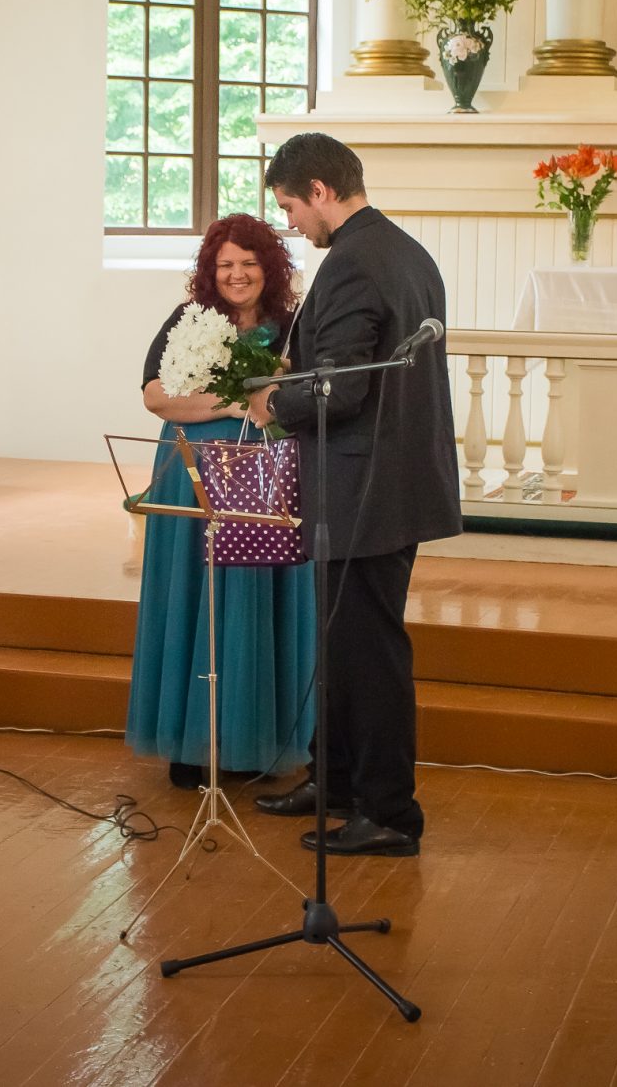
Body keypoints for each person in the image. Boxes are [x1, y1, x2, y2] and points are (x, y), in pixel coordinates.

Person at [245, 133, 460, 857]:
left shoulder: (352, 262)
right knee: (342, 643)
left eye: (290, 206)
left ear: (320, 190)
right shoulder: (405, 251)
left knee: (368, 655)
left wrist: (274, 402)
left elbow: (342, 388)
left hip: (364, 487)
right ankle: (335, 780)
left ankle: (389, 812)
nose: (290, 223)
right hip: (388, 480)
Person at [127, 213, 316, 791]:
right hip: (192, 475)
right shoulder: (188, 319)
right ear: (210, 270)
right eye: (225, 264)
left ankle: (254, 741)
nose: (237, 274)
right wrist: (232, 403)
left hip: (263, 471)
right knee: (194, 599)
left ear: (270, 267)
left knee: (254, 601)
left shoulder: (292, 327)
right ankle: (191, 744)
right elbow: (156, 397)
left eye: (249, 263)